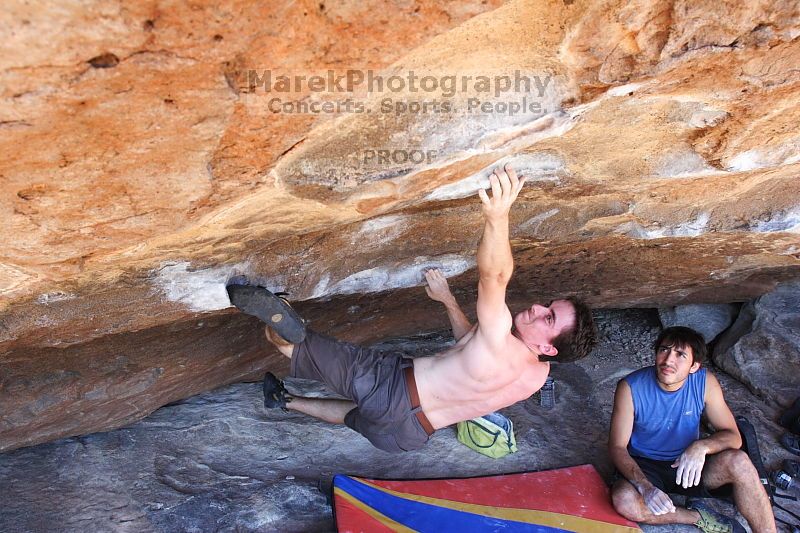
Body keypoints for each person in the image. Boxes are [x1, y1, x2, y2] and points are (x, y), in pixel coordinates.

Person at [227, 164, 596, 453]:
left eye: (548, 317)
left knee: (292, 346)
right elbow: (472, 347)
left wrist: (497, 216)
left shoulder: (501, 339)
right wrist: (448, 300)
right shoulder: (535, 378)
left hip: (388, 388)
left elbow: (494, 277)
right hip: (407, 435)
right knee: (356, 417)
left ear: (549, 346)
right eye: (547, 305)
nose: (536, 307)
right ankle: (286, 401)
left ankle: (278, 316)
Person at [608, 326, 776, 533]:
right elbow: (617, 447)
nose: (668, 360)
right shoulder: (630, 387)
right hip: (645, 465)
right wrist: (645, 486)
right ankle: (697, 517)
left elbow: (733, 436)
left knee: (739, 461)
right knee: (625, 500)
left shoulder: (705, 383)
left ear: (694, 365)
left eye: (680, 355)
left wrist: (702, 447)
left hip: (689, 466)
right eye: (664, 350)